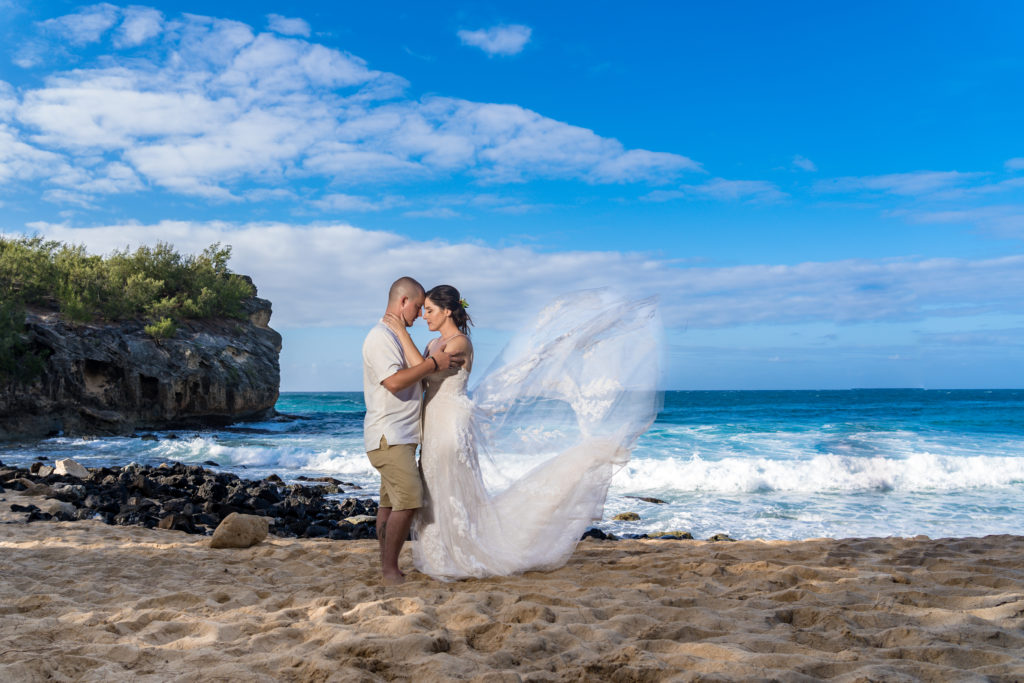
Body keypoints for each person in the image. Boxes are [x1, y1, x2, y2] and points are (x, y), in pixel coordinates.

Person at [384, 285, 661, 580]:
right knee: (433, 485)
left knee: (451, 485)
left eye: (430, 310)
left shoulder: (459, 344)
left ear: (447, 311)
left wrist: (401, 332)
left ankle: (462, 554)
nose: (424, 315)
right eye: (423, 310)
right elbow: (421, 374)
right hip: (433, 422)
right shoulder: (431, 345)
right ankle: (440, 555)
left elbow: (423, 369)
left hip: (452, 422)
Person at [362, 276, 461, 585]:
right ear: (403, 301)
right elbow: (394, 382)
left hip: (399, 436)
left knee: (389, 503)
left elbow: (413, 374)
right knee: (410, 500)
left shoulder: (395, 335)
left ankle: (386, 565)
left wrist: (428, 361)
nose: (419, 314)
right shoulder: (381, 337)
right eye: (418, 306)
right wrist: (433, 364)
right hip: (388, 436)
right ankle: (390, 570)